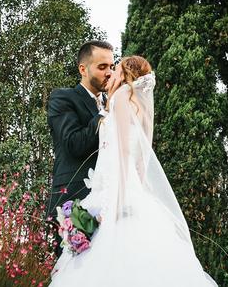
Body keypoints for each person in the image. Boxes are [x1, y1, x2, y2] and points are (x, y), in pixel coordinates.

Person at [49, 56, 218, 286]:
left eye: (116, 68)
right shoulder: (139, 105)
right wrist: (133, 191)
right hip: (132, 191)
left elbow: (120, 153)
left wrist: (114, 203)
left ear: (125, 73)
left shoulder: (120, 98)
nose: (112, 73)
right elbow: (140, 160)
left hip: (115, 192)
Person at [47, 40, 115, 257]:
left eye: (112, 67)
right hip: (73, 201)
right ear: (83, 69)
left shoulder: (115, 106)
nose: (109, 73)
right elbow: (74, 144)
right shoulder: (63, 98)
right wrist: (105, 111)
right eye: (102, 67)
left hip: (108, 201)